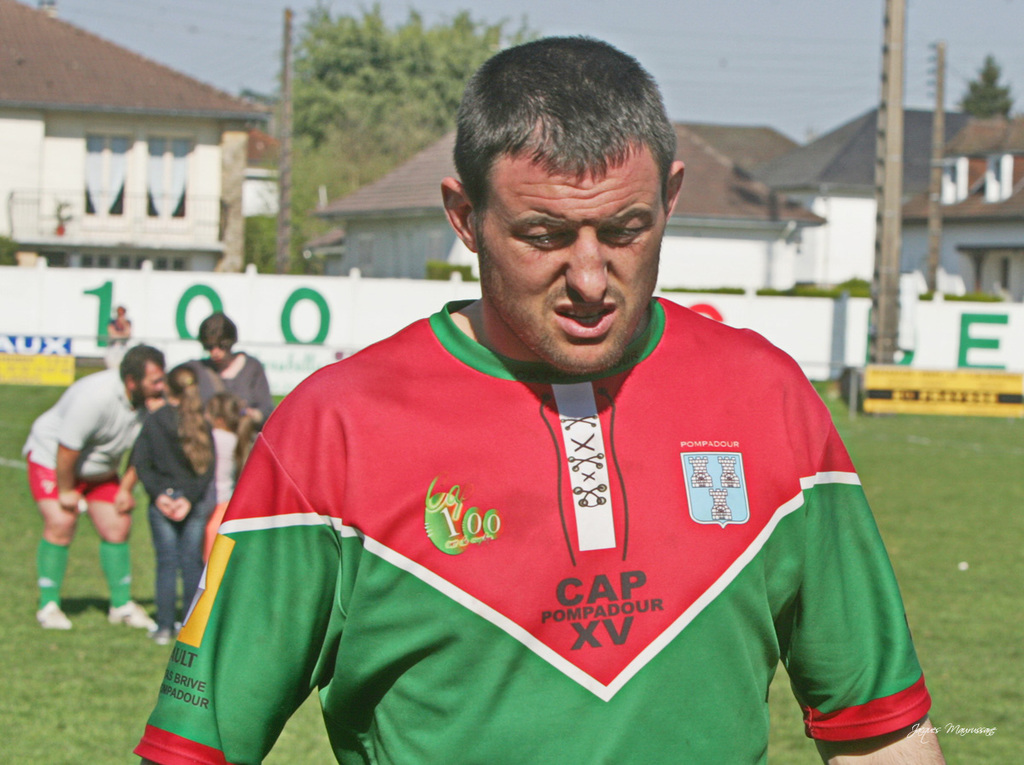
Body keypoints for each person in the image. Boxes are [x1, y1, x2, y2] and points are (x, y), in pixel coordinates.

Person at [136, 38, 944, 764]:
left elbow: (879, 730)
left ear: (670, 197)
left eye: (624, 229)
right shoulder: (333, 427)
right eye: (545, 236)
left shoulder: (767, 398)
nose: (590, 279)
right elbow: (197, 748)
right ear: (465, 217)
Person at [24, 344, 165, 631]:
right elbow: (67, 448)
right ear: (132, 382)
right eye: (155, 381)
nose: (161, 387)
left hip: (100, 469)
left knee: (118, 524)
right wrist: (66, 491)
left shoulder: (154, 403)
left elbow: (144, 451)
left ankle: (121, 606)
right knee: (61, 521)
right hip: (54, 460)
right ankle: (48, 606)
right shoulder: (94, 398)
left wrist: (125, 489)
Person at [131, 365, 216, 645]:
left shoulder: (155, 420)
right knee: (192, 562)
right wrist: (188, 498)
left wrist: (159, 495)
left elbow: (141, 461)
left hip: (163, 502)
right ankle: (190, 626)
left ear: (168, 387)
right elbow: (208, 468)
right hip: (192, 502)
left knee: (166, 563)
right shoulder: (200, 421)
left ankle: (164, 626)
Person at [184, 312, 274, 427]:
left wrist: (249, 414)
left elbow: (267, 410)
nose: (215, 352)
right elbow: (172, 384)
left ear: (231, 342)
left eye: (221, 346)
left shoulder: (252, 368)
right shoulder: (198, 368)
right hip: (209, 435)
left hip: (244, 434)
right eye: (209, 347)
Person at [200, 391, 256, 562]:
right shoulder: (237, 439)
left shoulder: (214, 438)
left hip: (212, 505)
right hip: (227, 505)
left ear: (218, 419)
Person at [104, 305, 133, 369]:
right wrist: (122, 335)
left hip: (123, 345)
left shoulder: (127, 322)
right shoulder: (112, 322)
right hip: (113, 345)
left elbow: (128, 333)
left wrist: (123, 323)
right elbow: (112, 333)